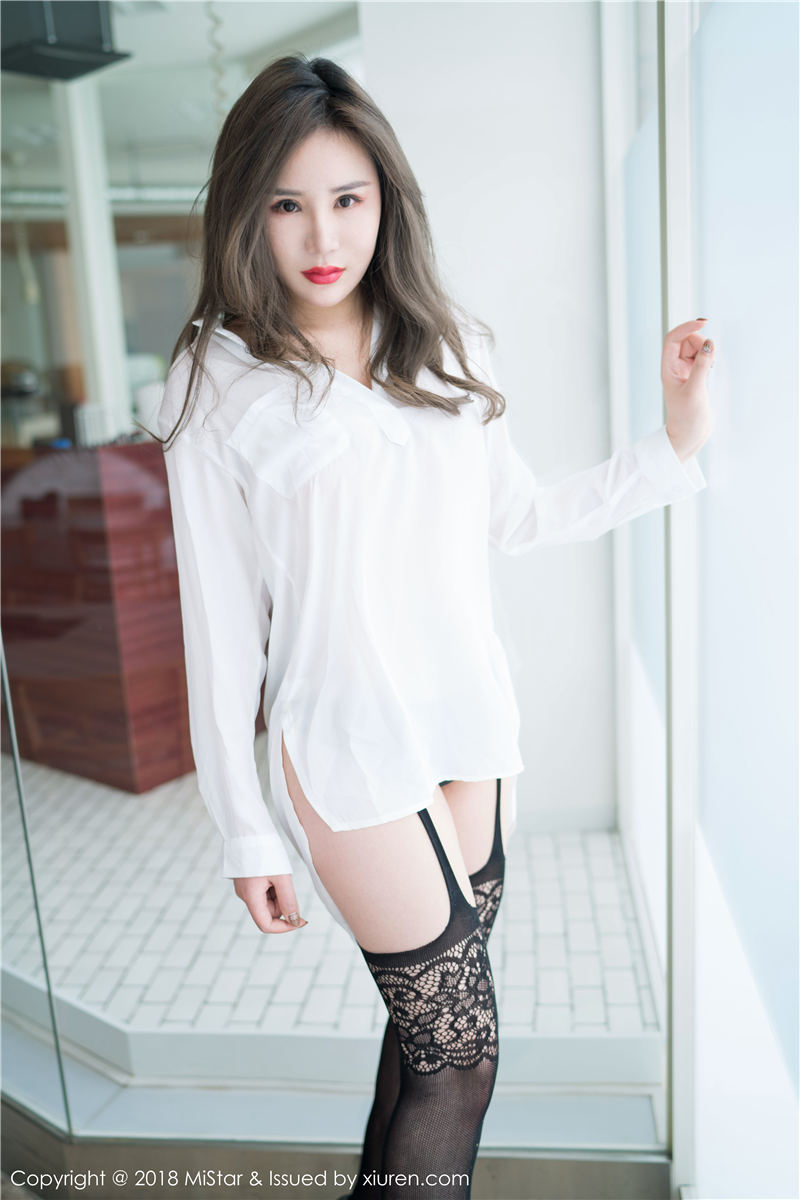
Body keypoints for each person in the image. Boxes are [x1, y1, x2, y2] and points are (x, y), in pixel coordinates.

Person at [152, 54, 714, 1200]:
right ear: (247, 211)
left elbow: (517, 516)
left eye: (346, 198)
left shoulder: (445, 339)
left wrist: (670, 447)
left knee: (421, 1050)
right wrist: (244, 830)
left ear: (385, 200)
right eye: (287, 204)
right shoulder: (214, 380)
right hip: (344, 744)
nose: (323, 235)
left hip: (467, 725)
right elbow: (219, 634)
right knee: (461, 1061)